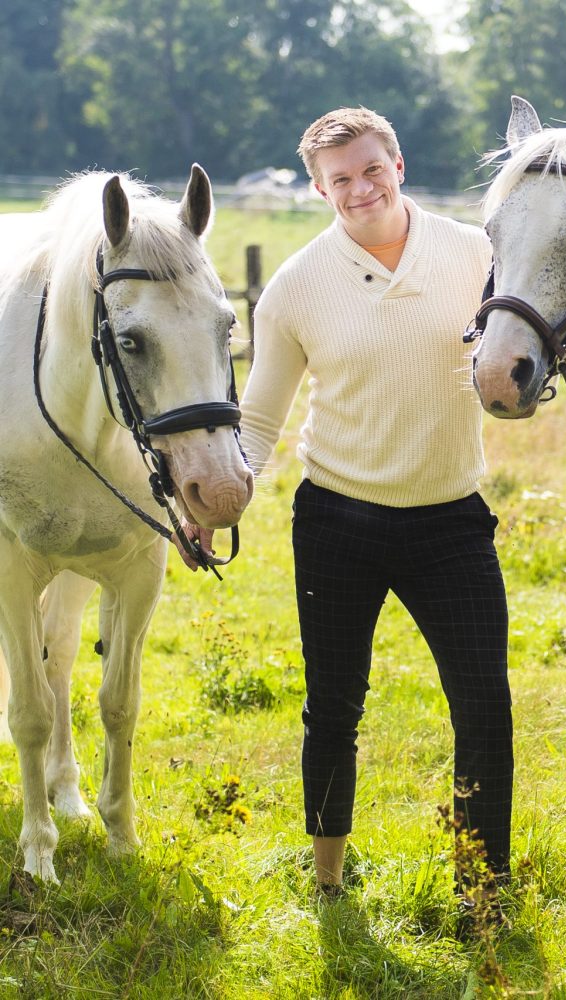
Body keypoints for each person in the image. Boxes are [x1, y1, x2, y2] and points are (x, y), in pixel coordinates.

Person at [178, 107, 512, 899]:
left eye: (371, 170)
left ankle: (482, 889)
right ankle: (328, 883)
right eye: (340, 179)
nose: (358, 189)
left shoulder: (476, 255)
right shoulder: (294, 288)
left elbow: (514, 360)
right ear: (319, 188)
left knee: (485, 710)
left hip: (451, 520)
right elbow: (257, 422)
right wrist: (217, 500)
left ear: (397, 165)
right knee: (332, 707)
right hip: (338, 520)